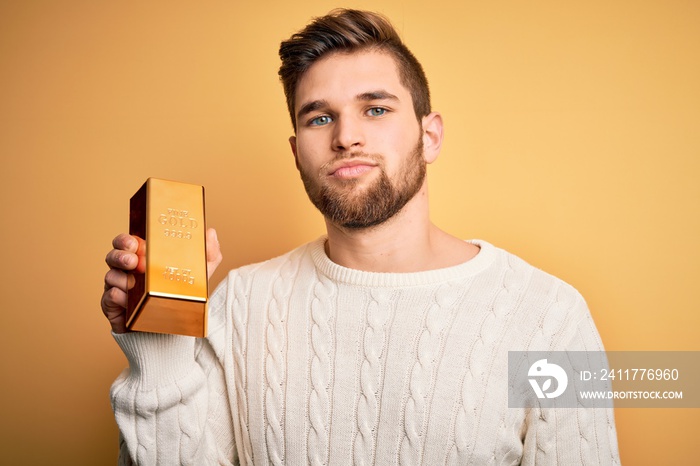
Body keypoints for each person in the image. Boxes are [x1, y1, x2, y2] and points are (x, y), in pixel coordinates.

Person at [102, 9, 620, 465]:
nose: (346, 136)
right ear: (296, 151)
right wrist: (161, 355)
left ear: (430, 135)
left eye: (376, 109)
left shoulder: (552, 317)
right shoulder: (240, 303)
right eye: (320, 116)